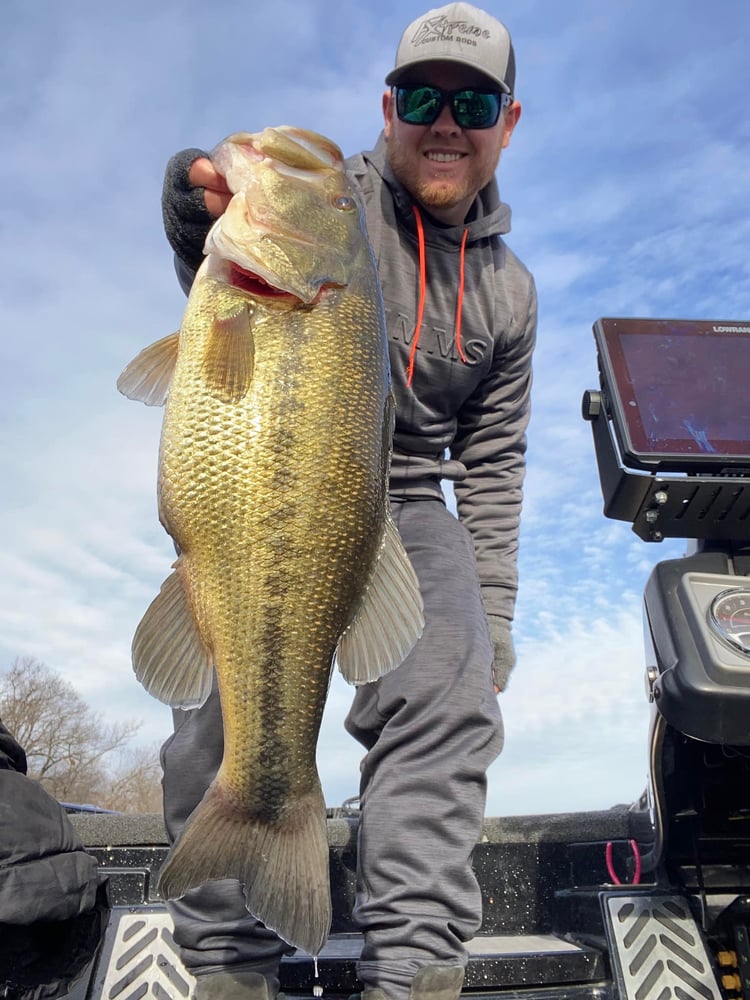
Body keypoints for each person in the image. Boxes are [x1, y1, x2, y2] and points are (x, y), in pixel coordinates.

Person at [159, 4, 537, 1000]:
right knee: (219, 678)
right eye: (422, 96)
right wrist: (193, 224)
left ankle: (414, 970)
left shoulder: (511, 294)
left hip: (407, 494)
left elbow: (493, 464)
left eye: (473, 101)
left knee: (451, 677)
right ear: (389, 107)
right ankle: (225, 970)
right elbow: (233, 298)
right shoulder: (337, 204)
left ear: (509, 120)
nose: (445, 119)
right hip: (267, 483)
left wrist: (491, 628)